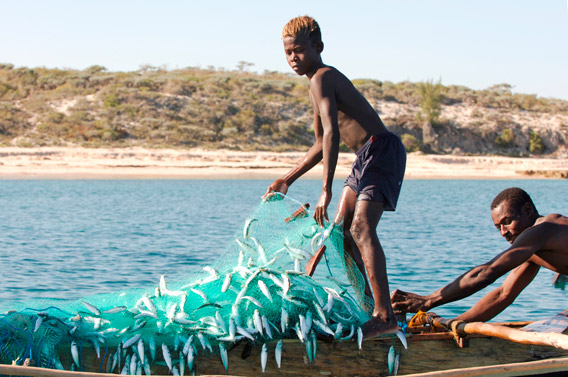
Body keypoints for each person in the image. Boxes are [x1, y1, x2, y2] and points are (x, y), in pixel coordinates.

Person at [263, 15, 406, 338]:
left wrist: (325, 190)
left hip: (380, 150)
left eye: (298, 51)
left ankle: (384, 316)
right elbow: (319, 143)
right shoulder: (315, 87)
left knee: (360, 227)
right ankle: (372, 310)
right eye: (287, 53)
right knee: (340, 235)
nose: (292, 59)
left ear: (319, 47)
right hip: (364, 157)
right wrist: (288, 178)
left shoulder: (323, 77)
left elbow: (332, 136)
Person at [391, 187, 568, 322]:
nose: (503, 233)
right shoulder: (530, 248)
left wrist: (429, 300)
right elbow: (503, 295)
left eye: (507, 222)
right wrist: (455, 323)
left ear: (528, 211)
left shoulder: (543, 229)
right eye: (498, 227)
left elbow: (487, 272)